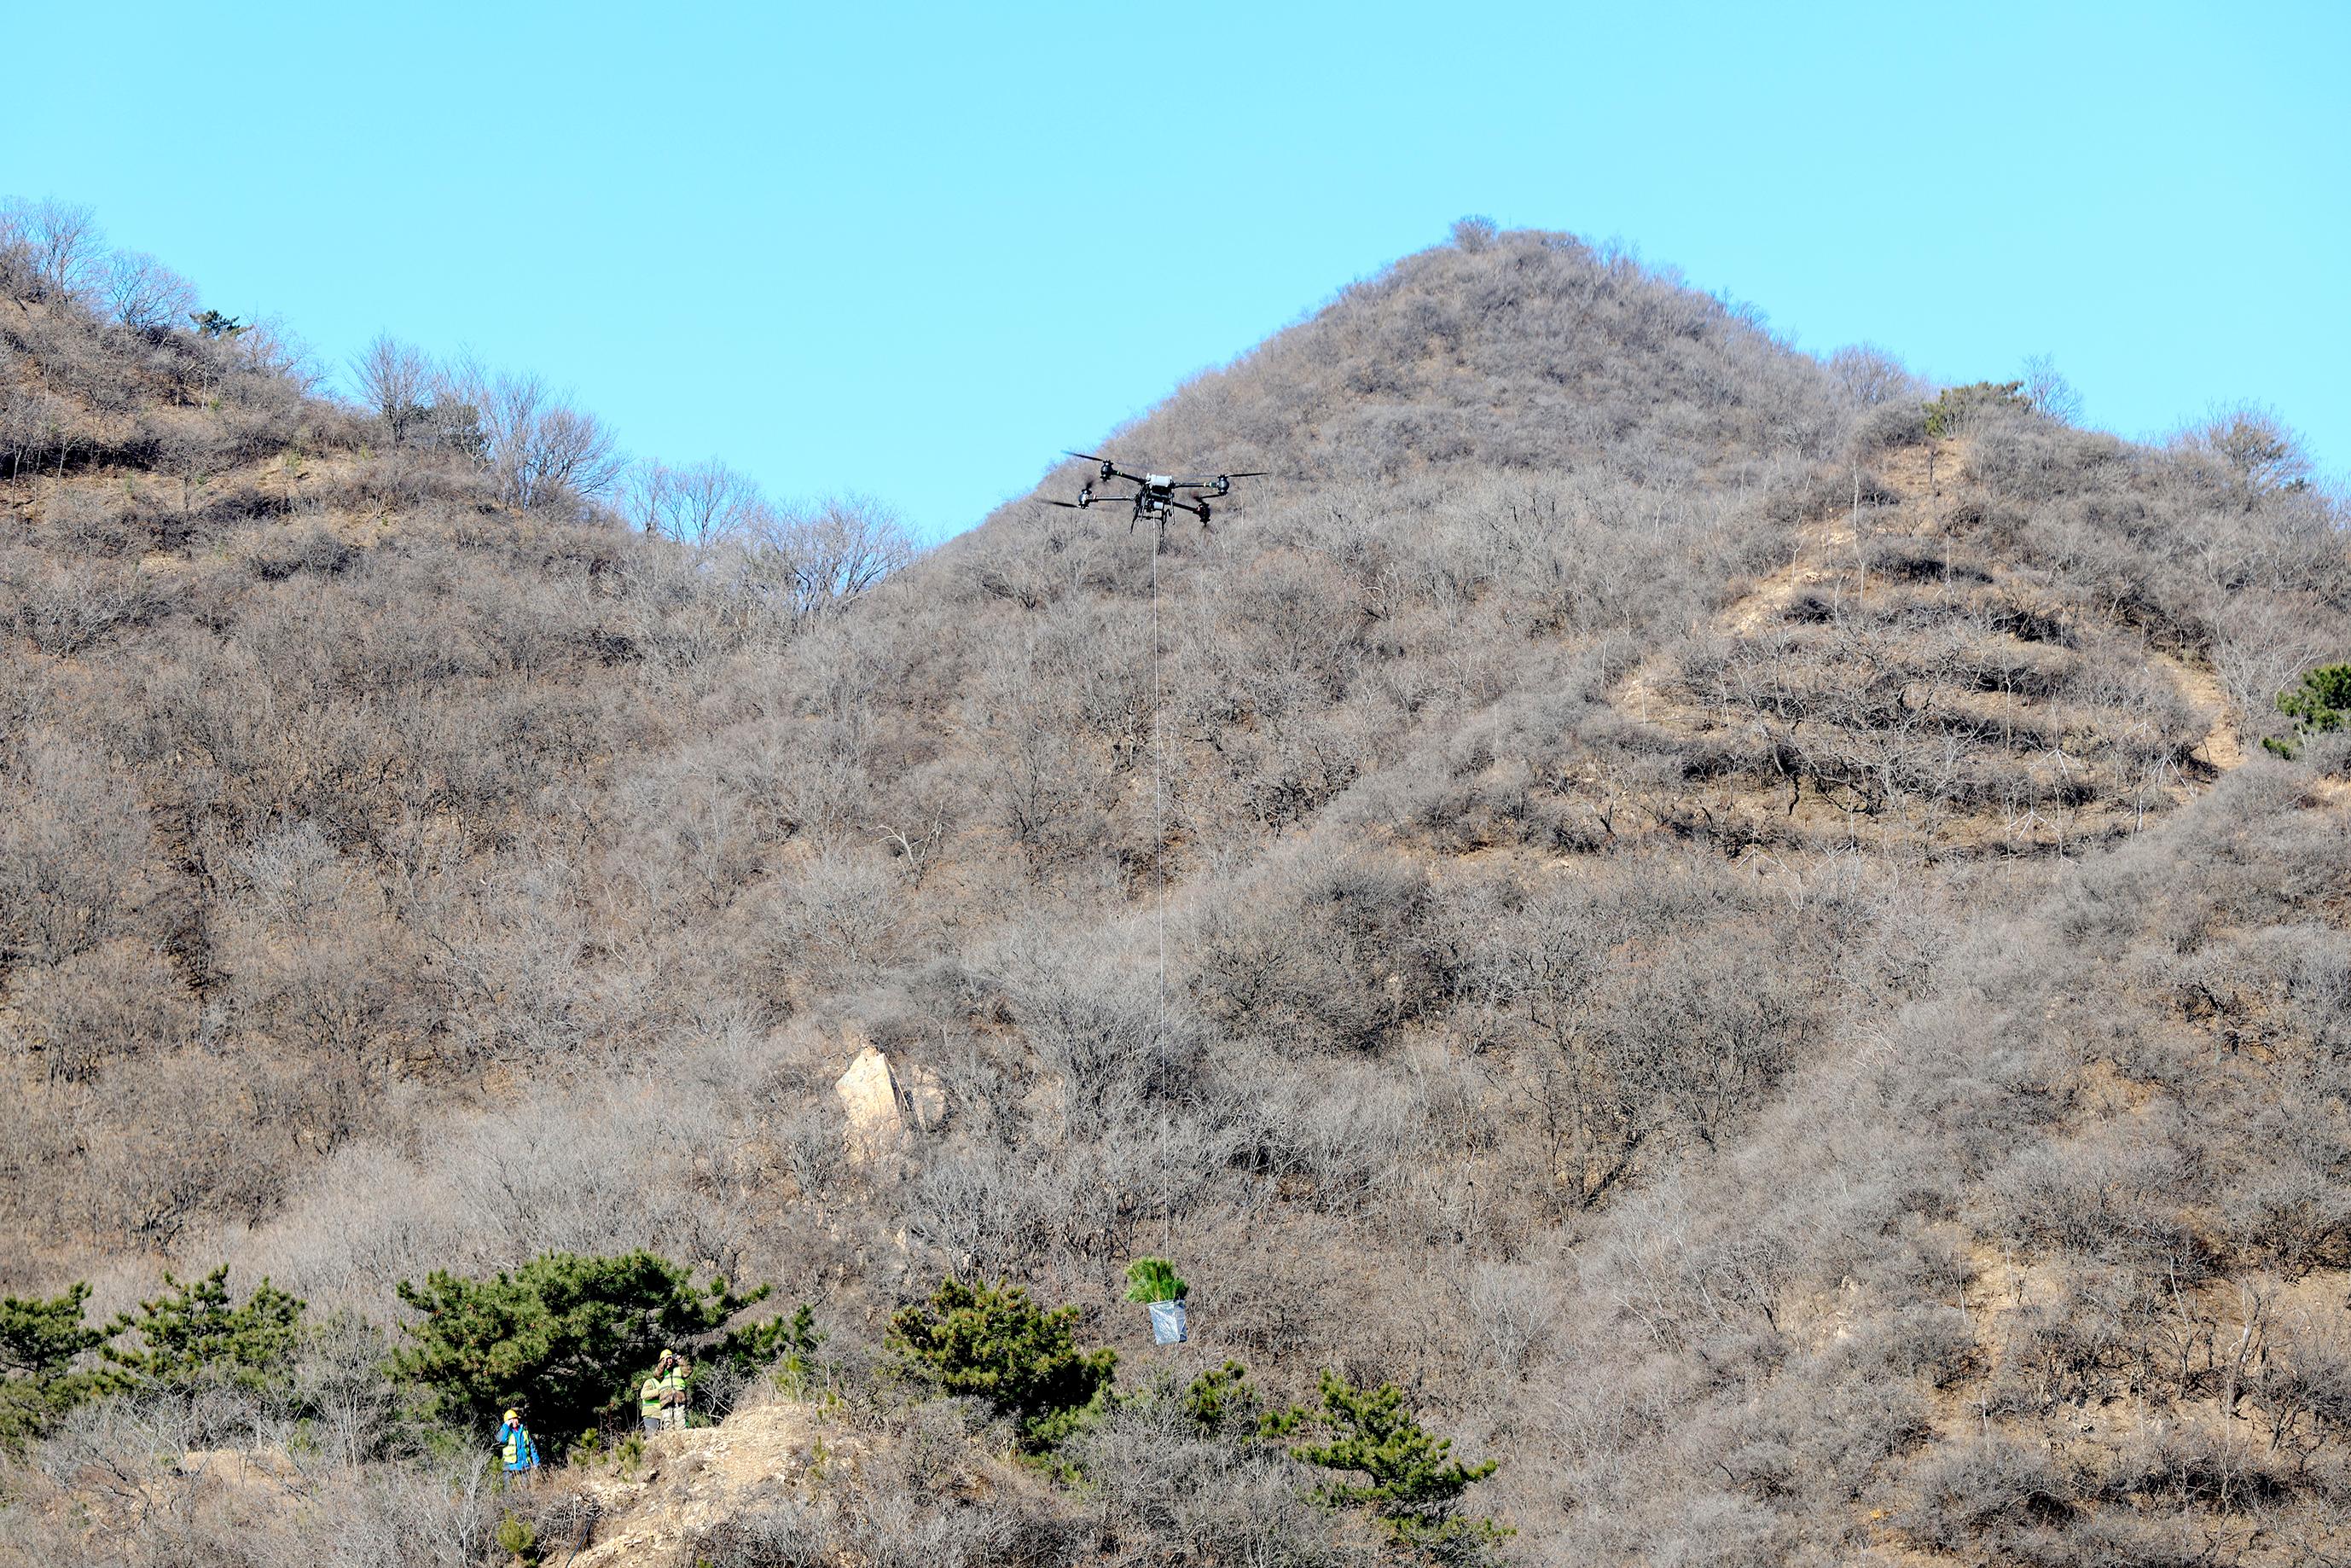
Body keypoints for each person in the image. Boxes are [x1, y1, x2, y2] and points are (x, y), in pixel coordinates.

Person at [496, 1408, 539, 1482]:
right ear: (507, 1421)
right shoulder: (506, 1432)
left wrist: (536, 1462)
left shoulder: (524, 1431)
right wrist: (506, 1426)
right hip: (509, 1467)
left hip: (524, 1466)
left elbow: (532, 1447)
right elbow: (500, 1440)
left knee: (526, 1490)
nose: (515, 1421)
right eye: (512, 1419)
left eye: (515, 1418)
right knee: (508, 1491)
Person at [640, 1350, 672, 1434]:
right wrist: (659, 1391)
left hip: (663, 1415)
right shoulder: (650, 1382)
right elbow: (643, 1395)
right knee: (653, 1440)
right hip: (651, 1415)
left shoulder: (668, 1382)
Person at [663, 1348, 691, 1432]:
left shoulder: (678, 1369)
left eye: (670, 1358)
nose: (669, 1361)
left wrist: (681, 1361)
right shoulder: (661, 1371)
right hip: (666, 1401)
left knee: (681, 1427)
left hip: (679, 1400)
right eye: (666, 1359)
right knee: (668, 1428)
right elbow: (656, 1374)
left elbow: (688, 1371)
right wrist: (663, 1364)